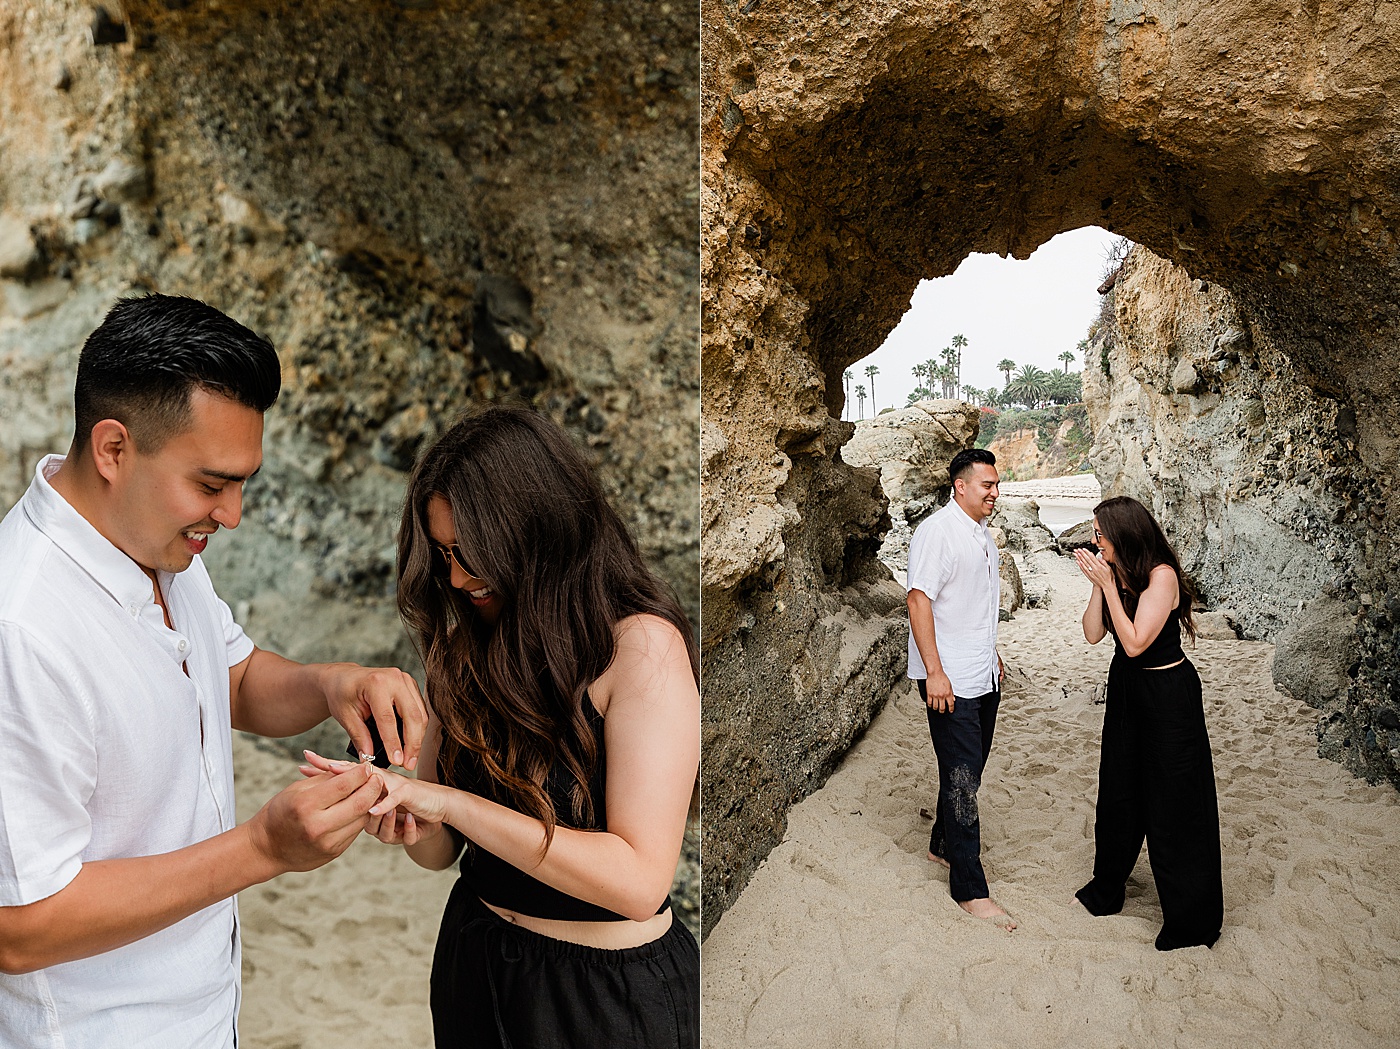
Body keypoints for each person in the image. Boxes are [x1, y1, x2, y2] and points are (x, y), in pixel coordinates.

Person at [0, 294, 429, 1048]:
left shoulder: (159, 540)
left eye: (242, 483)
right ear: (112, 448)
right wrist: (262, 848)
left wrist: (334, 684)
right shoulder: (22, 628)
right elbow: (20, 924)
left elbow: (230, 679)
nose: (231, 515)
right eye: (210, 483)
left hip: (207, 1016)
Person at [303, 408, 700, 1048]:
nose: (457, 577)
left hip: (600, 997)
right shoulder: (464, 651)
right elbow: (438, 854)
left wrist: (452, 802)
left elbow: (638, 881)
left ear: (539, 531)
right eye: (444, 554)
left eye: (473, 553)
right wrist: (400, 807)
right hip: (475, 961)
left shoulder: (642, 648)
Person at [1072, 495, 1223, 951]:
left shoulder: (1162, 576)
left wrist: (1109, 582)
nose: (1094, 540)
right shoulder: (1117, 572)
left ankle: (1191, 922)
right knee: (1118, 789)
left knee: (1175, 801)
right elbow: (1093, 633)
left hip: (1166, 695)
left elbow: (1136, 641)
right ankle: (1107, 889)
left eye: (1100, 533)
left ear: (1123, 534)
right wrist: (1101, 585)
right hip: (1126, 692)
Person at [905, 447, 1013, 929]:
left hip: (981, 673)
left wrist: (991, 652)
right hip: (949, 679)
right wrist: (935, 671)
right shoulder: (938, 533)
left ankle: (941, 847)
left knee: (969, 767)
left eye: (996, 484)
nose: (995, 492)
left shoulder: (982, 536)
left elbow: (971, 604)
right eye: (986, 485)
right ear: (960, 486)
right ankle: (970, 889)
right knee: (964, 778)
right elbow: (918, 600)